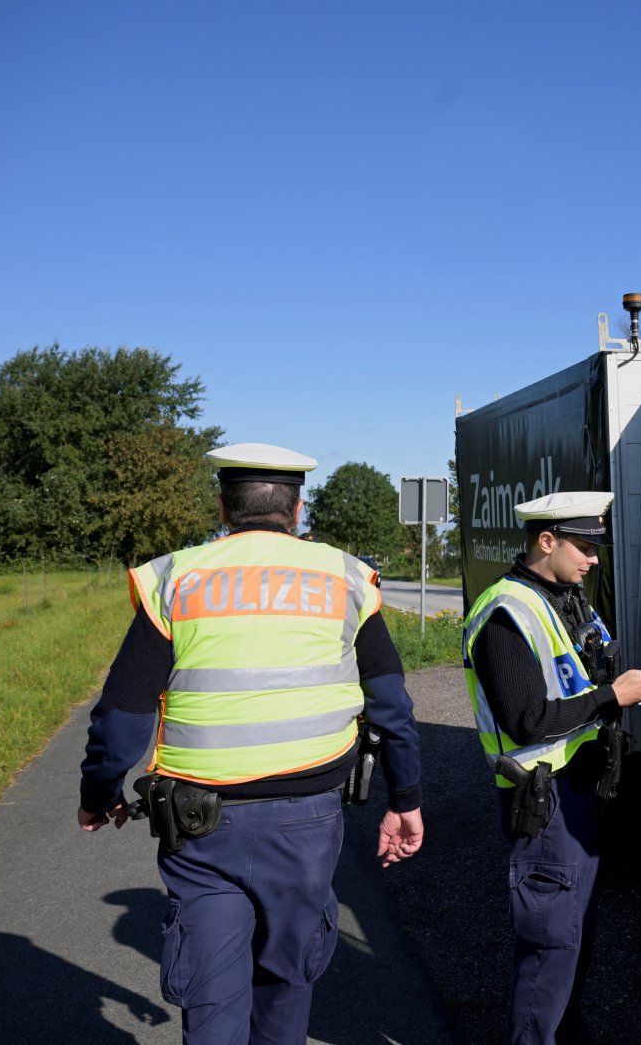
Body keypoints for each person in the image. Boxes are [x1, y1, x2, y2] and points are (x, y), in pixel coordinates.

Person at [77, 442, 425, 1045]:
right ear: (297, 508)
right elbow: (392, 706)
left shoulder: (176, 578)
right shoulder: (343, 577)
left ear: (223, 506)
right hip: (308, 823)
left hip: (199, 827)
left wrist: (98, 791)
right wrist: (407, 797)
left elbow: (123, 716)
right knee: (287, 984)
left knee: (211, 1001)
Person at [461, 491, 641, 1045]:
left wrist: (626, 691)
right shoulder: (507, 611)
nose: (594, 558)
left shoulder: (565, 598)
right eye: (584, 546)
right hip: (543, 802)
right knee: (550, 944)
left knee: (575, 935)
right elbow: (528, 719)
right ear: (545, 542)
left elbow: (581, 683)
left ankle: (564, 1033)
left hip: (580, 795)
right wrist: (611, 698)